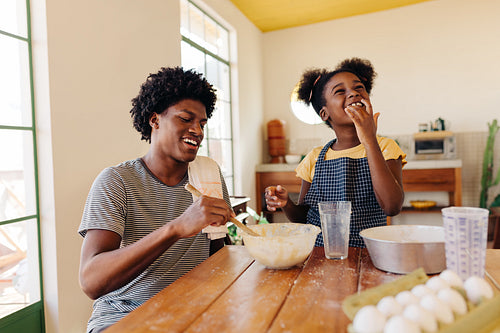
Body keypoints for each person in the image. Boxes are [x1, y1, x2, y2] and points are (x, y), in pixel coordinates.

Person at [78, 67, 234, 333]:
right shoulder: (117, 181)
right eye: (186, 119)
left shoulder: (208, 175)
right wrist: (176, 228)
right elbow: (92, 282)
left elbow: (218, 252)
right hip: (125, 314)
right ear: (154, 120)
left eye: (202, 123)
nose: (197, 130)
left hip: (193, 309)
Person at [265, 58, 406, 247]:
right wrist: (287, 204)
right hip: (319, 256)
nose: (353, 93)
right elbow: (305, 219)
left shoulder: (385, 147)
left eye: (359, 88)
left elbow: (392, 207)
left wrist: (369, 140)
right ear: (324, 113)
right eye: (340, 91)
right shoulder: (315, 157)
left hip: (368, 255)